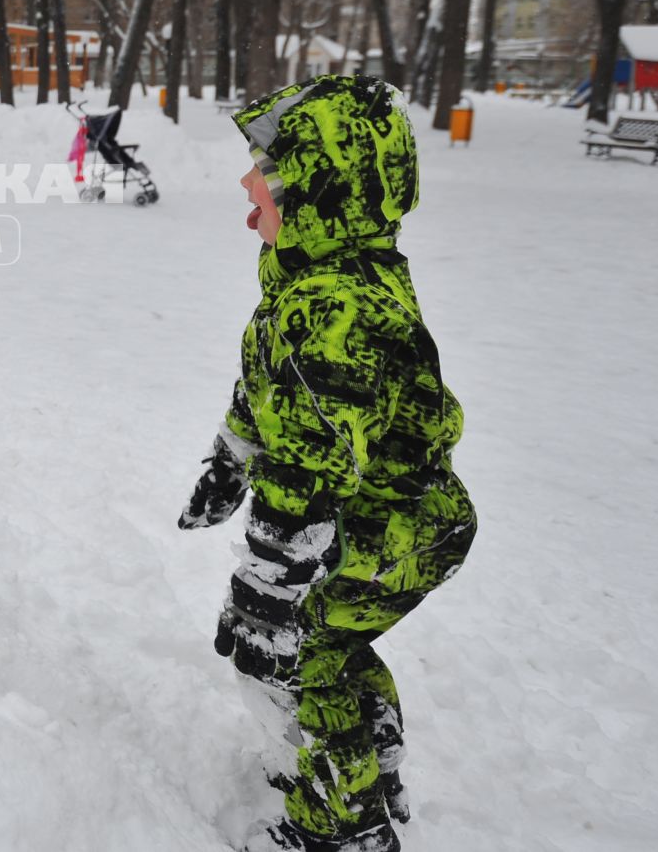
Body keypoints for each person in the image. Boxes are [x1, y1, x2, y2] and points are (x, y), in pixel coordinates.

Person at [178, 75, 477, 852]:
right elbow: (269, 391)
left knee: (304, 653)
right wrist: (231, 459)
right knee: (331, 649)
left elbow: (310, 467)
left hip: (395, 524)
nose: (248, 180)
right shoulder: (309, 281)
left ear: (319, 190)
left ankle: (341, 826)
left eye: (267, 169)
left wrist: (269, 586)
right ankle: (372, 774)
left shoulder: (336, 310)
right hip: (389, 512)